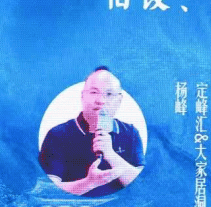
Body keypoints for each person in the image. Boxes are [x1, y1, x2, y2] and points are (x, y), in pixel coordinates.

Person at [39, 66, 145, 198]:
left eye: (109, 94)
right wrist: (89, 183)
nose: (101, 101)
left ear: (119, 100)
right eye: (94, 92)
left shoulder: (130, 133)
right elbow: (48, 191)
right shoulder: (57, 135)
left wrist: (110, 154)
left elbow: (143, 186)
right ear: (83, 96)